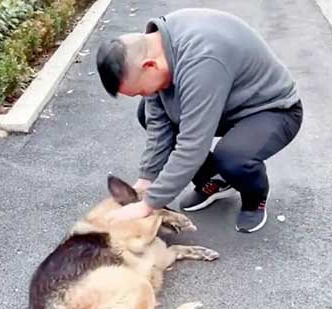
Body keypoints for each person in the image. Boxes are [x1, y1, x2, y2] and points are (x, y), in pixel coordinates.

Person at [96, 8, 302, 233]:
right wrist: (147, 179)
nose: (144, 95)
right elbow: (159, 122)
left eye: (140, 90)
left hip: (271, 109)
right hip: (225, 103)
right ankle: (215, 181)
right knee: (146, 112)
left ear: (149, 66)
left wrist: (147, 205)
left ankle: (255, 199)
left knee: (232, 157)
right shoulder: (156, 48)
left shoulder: (202, 60)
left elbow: (193, 144)